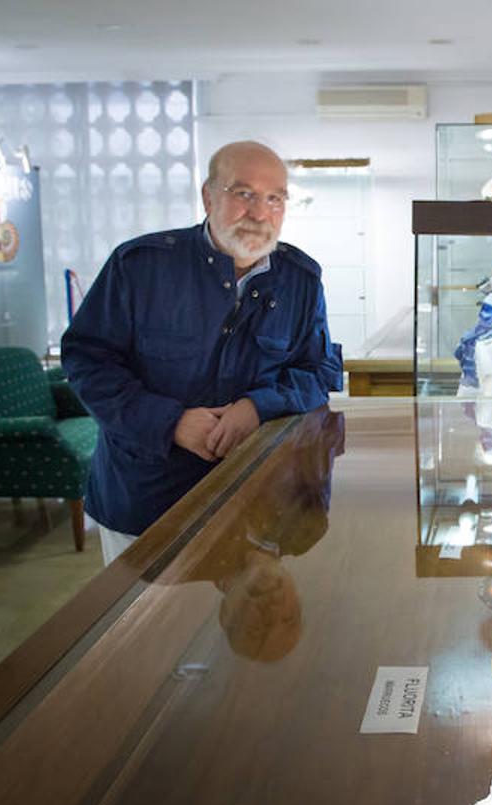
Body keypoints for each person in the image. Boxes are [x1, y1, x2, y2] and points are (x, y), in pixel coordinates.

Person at [62, 140, 343, 567]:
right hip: (147, 498)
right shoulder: (139, 266)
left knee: (234, 626)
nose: (260, 212)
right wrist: (170, 422)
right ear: (208, 196)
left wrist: (257, 406)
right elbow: (88, 361)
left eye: (275, 198)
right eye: (243, 193)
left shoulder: (300, 279)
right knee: (144, 629)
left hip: (260, 500)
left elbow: (318, 370)